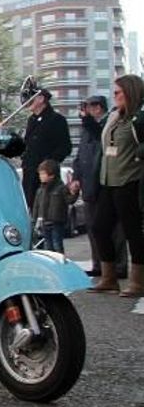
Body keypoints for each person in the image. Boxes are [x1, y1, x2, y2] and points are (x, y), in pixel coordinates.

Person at [90, 74, 144, 297]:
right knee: (99, 227)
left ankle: (138, 282)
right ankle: (109, 277)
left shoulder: (139, 118)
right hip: (108, 181)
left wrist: (139, 154)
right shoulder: (114, 116)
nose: (114, 96)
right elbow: (103, 146)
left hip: (129, 181)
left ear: (130, 92)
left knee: (133, 232)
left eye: (118, 92)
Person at [70, 95, 128, 277]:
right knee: (93, 227)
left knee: (113, 228)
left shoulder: (107, 124)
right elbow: (79, 154)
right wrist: (76, 177)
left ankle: (118, 265)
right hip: (89, 184)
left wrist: (86, 120)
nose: (86, 111)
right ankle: (99, 264)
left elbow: (100, 137)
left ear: (98, 107)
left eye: (89, 107)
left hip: (104, 183)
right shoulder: (88, 128)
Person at [20, 83, 72, 209]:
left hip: (47, 176)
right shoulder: (31, 120)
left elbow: (65, 147)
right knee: (30, 207)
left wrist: (48, 164)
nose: (27, 102)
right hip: (29, 173)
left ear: (41, 98)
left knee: (47, 211)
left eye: (31, 98)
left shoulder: (57, 119)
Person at [32, 159, 79, 253]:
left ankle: (60, 264)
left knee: (57, 244)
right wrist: (35, 219)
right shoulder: (40, 190)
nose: (40, 176)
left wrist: (74, 193)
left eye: (43, 174)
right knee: (48, 246)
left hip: (57, 221)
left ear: (52, 175)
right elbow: (36, 206)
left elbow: (70, 200)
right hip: (45, 222)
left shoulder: (61, 188)